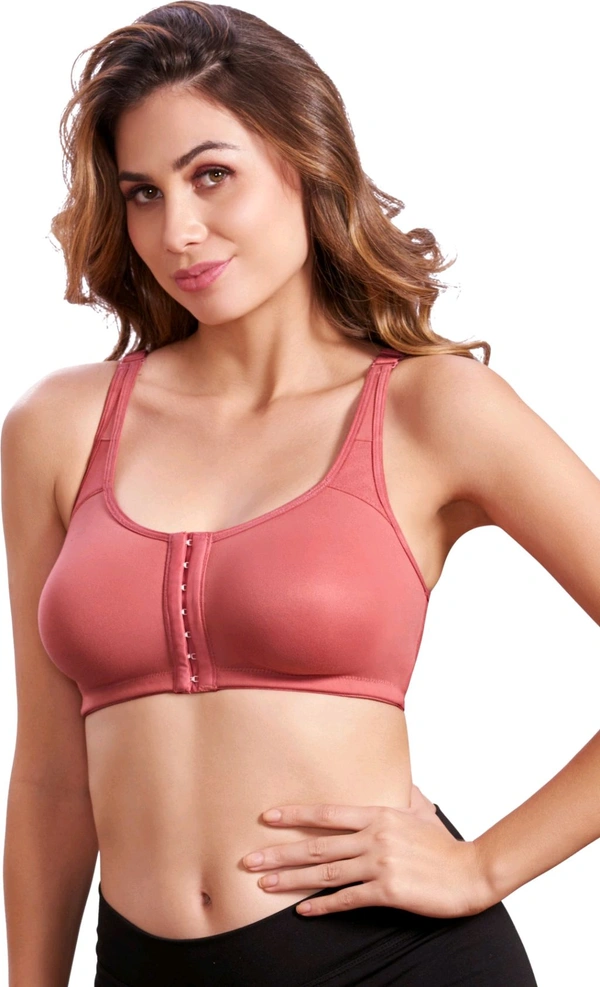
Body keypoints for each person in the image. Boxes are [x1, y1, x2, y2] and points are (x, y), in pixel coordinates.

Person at [2, 2, 598, 985]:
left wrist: (483, 866)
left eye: (211, 175)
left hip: (390, 962)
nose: (177, 229)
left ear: (305, 160)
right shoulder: (57, 428)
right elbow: (50, 777)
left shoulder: (433, 410)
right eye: (144, 193)